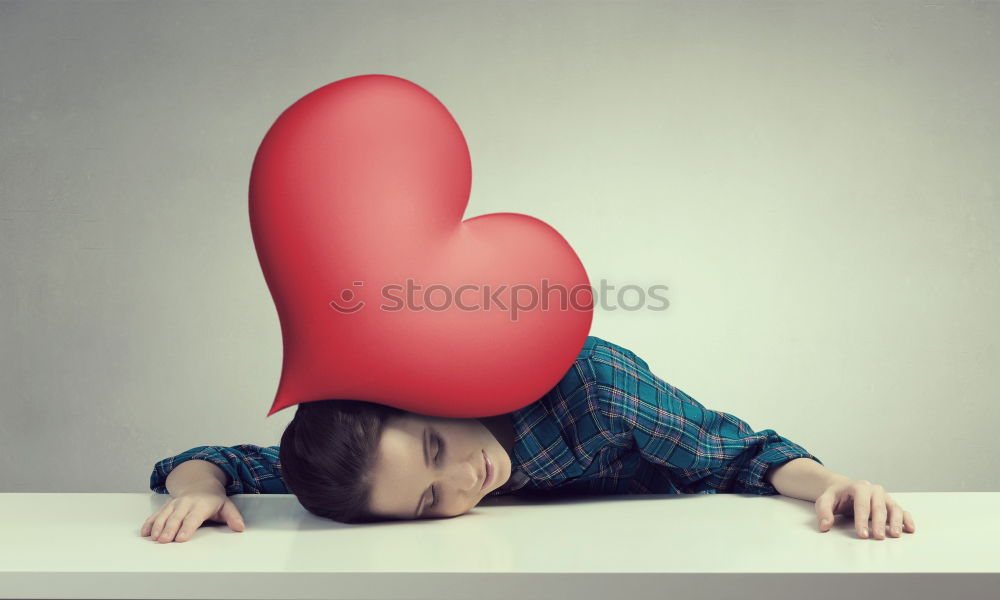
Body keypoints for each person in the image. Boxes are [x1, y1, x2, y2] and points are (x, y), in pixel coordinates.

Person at [141, 335, 916, 543]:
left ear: (424, 395)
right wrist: (202, 491)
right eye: (428, 504)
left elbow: (743, 455)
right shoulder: (364, 473)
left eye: (437, 451)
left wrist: (835, 485)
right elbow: (222, 462)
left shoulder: (596, 387)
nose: (466, 483)